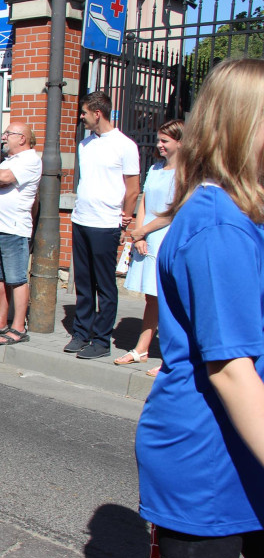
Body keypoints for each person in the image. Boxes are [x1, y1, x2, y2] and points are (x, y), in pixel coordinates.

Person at [134, 58, 264, 558]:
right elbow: (230, 368)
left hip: (242, 444)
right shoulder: (216, 224)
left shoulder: (234, 212)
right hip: (209, 449)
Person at [65, 90, 140, 360]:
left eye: (84, 112)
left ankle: (101, 339)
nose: (81, 117)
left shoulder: (125, 145)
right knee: (83, 283)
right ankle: (81, 333)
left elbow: (132, 189)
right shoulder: (85, 145)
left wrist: (126, 220)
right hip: (81, 219)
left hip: (106, 223)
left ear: (98, 113)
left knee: (105, 285)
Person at [115, 120, 182, 376]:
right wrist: (138, 234)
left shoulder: (186, 172)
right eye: (159, 139)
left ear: (181, 142)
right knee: (151, 297)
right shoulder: (155, 168)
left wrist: (143, 231)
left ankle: (171, 356)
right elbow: (143, 202)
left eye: (165, 141)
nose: (159, 145)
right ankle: (142, 348)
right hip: (147, 237)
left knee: (168, 299)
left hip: (167, 236)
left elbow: (174, 211)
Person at [0, 123, 43, 345]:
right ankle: (0, 322)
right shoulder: (9, 161)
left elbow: (1, 178)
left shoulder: (30, 159)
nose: (3, 137)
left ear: (22, 138)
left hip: (14, 228)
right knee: (0, 278)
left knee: (17, 279)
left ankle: (18, 327)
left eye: (8, 134)